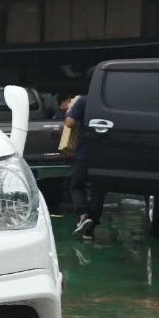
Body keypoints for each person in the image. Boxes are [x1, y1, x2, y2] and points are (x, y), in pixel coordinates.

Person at [64, 93, 103, 239]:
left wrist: (70, 110)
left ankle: (83, 214)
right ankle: (90, 229)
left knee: (76, 186)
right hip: (104, 154)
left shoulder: (84, 101)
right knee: (99, 189)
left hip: (84, 153)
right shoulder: (108, 101)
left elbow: (70, 123)